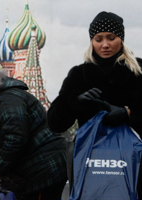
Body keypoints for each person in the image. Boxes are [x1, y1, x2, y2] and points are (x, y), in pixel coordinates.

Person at [47, 11, 142, 198]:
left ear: (121, 39)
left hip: (132, 160)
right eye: (98, 39)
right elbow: (55, 122)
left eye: (111, 38)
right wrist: (75, 102)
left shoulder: (137, 72)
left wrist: (128, 113)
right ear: (92, 41)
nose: (105, 44)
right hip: (90, 160)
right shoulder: (79, 75)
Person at [0, 68, 67, 200]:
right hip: (42, 167)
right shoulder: (5, 98)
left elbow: (16, 138)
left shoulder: (7, 101)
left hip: (45, 168)